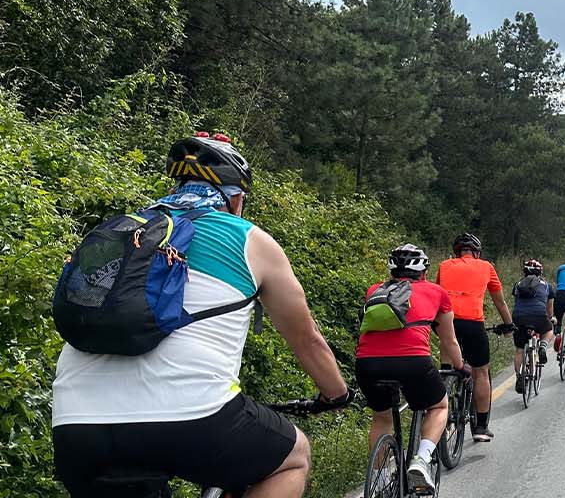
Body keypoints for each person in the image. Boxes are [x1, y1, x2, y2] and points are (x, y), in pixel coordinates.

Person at [51, 132, 353, 497]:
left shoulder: (126, 231)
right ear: (237, 198)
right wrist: (336, 395)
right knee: (294, 457)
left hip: (76, 424)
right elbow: (308, 341)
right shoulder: (249, 239)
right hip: (191, 416)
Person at [356, 244, 465, 495]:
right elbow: (449, 341)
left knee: (382, 417)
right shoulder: (437, 292)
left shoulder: (374, 290)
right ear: (424, 272)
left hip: (367, 363)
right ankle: (422, 460)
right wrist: (460, 366)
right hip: (413, 362)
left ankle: (381, 480)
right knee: (438, 406)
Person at [436, 233, 513, 442]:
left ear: (456, 252)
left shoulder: (444, 265)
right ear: (477, 253)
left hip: (445, 322)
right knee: (481, 372)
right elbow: (500, 301)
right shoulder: (486, 266)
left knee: (446, 368)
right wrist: (508, 325)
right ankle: (480, 426)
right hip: (472, 323)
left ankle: (437, 414)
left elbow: (437, 294)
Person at [510, 259, 555, 394]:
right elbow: (549, 307)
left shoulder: (518, 285)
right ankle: (542, 346)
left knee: (519, 349)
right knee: (548, 331)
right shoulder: (546, 286)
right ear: (540, 272)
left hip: (519, 316)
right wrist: (551, 317)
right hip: (539, 315)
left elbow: (517, 302)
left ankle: (519, 377)